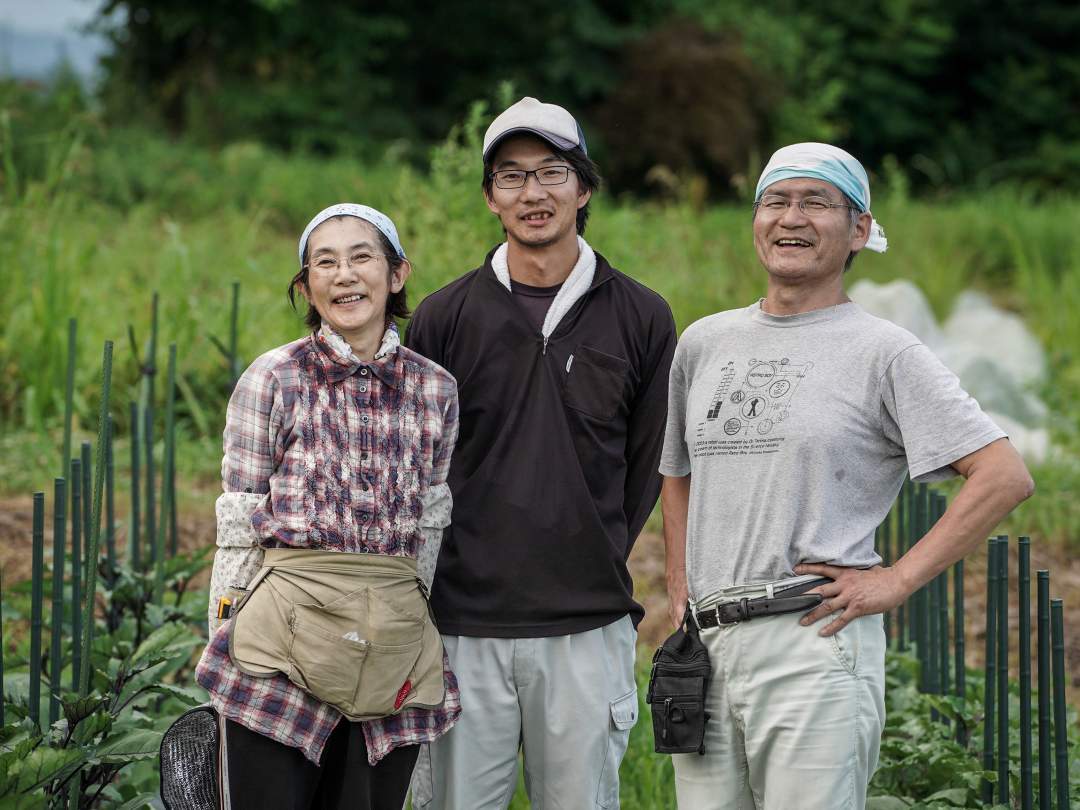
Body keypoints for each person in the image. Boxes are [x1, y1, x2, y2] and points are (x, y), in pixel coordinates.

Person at [659, 143, 1035, 809]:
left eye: (816, 202)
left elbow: (1002, 474)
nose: (791, 217)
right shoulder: (705, 343)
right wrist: (681, 582)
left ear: (859, 229)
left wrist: (897, 581)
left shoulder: (883, 351)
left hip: (811, 643)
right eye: (776, 200)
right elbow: (678, 469)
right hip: (707, 646)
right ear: (755, 219)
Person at [405, 97, 677, 809]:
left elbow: (647, 461)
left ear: (583, 189)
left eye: (552, 172)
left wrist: (581, 540)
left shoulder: (641, 315)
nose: (533, 193)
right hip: (463, 625)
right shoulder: (443, 316)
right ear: (491, 198)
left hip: (586, 623)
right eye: (511, 176)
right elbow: (417, 464)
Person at [194, 203, 461, 810]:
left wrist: (417, 616)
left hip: (391, 634)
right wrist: (225, 628)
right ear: (307, 287)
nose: (344, 274)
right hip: (285, 632)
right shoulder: (275, 377)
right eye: (325, 262)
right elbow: (240, 519)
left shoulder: (435, 389)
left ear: (397, 275)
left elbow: (428, 522)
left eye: (362, 257)